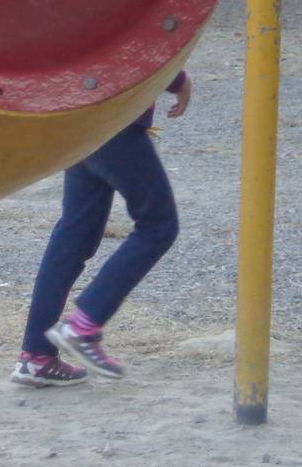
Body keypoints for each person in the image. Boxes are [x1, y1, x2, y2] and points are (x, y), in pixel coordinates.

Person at [13, 70, 191, 387]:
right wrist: (178, 81)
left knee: (74, 234)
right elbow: (140, 42)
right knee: (159, 226)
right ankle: (83, 326)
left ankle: (36, 357)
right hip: (115, 116)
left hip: (79, 115)